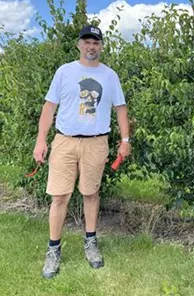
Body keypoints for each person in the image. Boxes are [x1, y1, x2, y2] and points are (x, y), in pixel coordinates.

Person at [33, 25, 131, 279]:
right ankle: (53, 249)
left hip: (96, 143)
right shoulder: (64, 72)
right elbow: (48, 107)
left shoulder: (110, 76)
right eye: (87, 41)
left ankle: (90, 242)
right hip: (65, 142)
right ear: (79, 45)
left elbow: (120, 108)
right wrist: (41, 141)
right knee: (59, 197)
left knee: (90, 193)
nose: (91, 46)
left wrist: (125, 139)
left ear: (101, 46)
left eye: (96, 42)